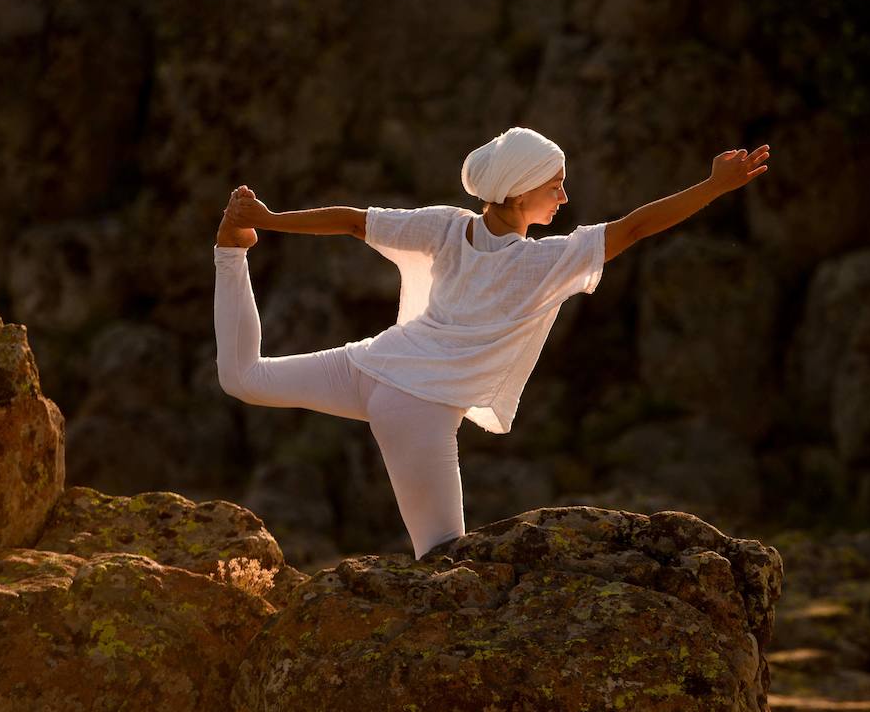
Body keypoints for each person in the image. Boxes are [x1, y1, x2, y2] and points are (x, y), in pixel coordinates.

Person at [213, 126, 770, 559]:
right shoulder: (543, 262)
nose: (564, 197)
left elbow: (354, 222)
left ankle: (230, 248)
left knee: (243, 378)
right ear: (521, 189)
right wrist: (715, 186)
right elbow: (635, 228)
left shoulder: (446, 226)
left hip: (370, 366)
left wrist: (269, 220)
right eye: (555, 186)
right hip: (417, 405)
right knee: (443, 560)